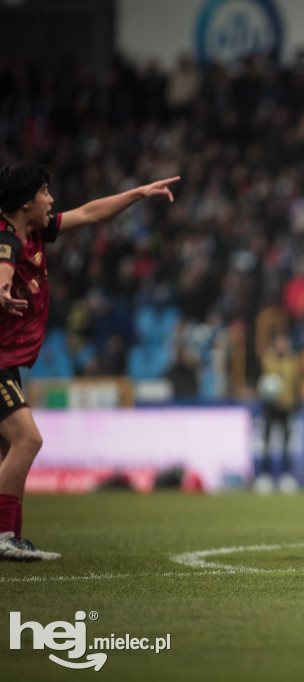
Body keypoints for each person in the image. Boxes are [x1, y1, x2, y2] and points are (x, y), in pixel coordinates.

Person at [0, 163, 179, 561]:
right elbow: (3, 266)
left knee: (9, 450)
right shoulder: (7, 238)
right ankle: (3, 537)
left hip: (7, 360)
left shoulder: (34, 232)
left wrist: (137, 193)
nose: (51, 199)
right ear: (27, 202)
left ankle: (11, 536)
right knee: (28, 440)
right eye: (45, 192)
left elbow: (89, 213)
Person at [256, 332, 301, 494]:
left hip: (287, 406)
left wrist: (298, 400)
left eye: (285, 342)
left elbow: (296, 382)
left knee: (286, 443)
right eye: (280, 342)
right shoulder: (267, 359)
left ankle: (286, 476)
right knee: (267, 442)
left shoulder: (293, 360)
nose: (283, 345)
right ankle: (265, 476)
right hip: (270, 406)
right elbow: (262, 381)